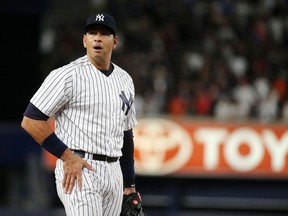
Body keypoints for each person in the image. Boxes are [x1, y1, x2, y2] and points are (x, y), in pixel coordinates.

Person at [21, 13, 138, 216]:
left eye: (104, 34)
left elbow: (126, 134)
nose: (98, 38)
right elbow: (30, 120)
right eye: (92, 33)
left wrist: (130, 184)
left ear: (115, 41)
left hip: (114, 172)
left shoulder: (125, 79)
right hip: (79, 168)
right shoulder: (67, 75)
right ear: (85, 40)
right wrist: (67, 157)